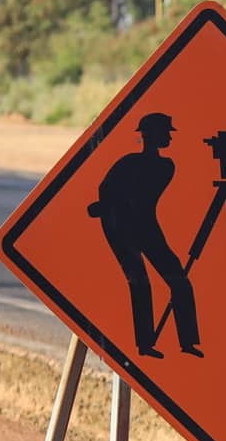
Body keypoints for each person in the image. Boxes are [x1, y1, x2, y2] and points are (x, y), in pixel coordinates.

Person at [87, 112, 202, 359]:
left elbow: (135, 195)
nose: (169, 136)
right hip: (119, 228)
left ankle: (189, 341)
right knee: (139, 282)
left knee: (179, 279)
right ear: (150, 134)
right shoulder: (128, 162)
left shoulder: (165, 166)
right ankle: (145, 345)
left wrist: (110, 203)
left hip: (147, 226)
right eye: (165, 131)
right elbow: (105, 189)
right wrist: (109, 206)